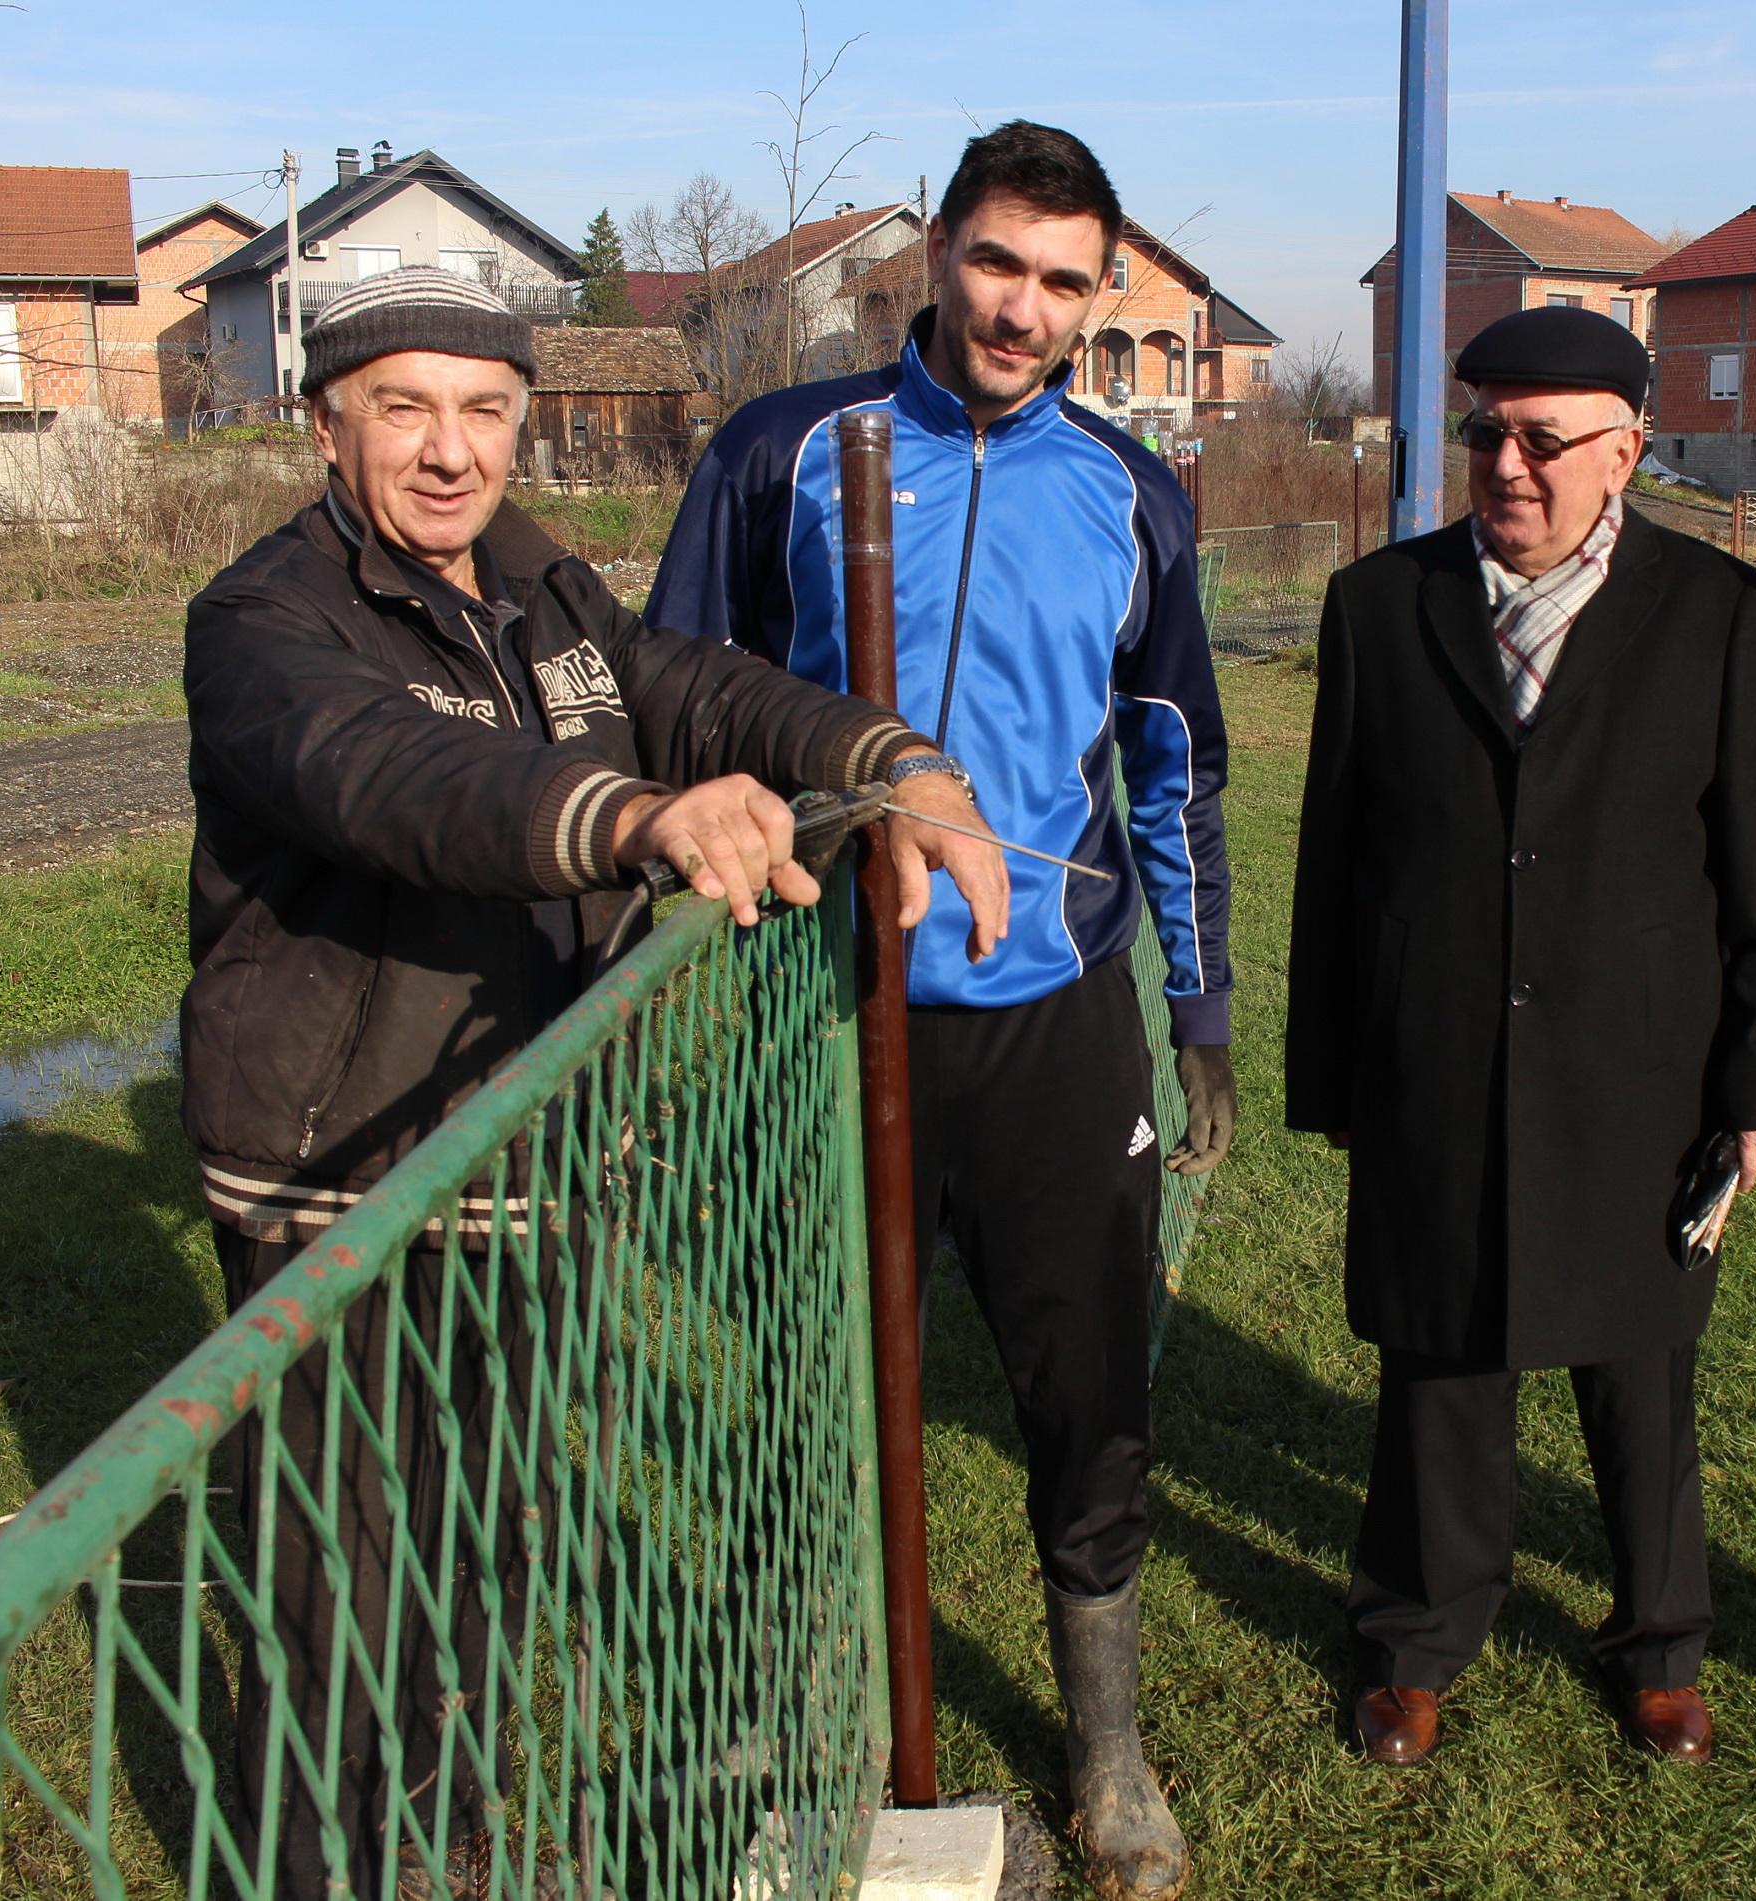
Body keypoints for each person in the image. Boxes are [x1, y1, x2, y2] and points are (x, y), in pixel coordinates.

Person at [181, 267, 1007, 1893]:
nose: (449, 450)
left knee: (485, 1536)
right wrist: (636, 819)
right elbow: (390, 778)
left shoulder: (540, 586)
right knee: (336, 1580)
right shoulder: (264, 620)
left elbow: (694, 688)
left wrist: (888, 758)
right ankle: (324, 1864)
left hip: (524, 1142)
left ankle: (443, 1820)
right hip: (342, 1173)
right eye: (402, 407)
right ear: (324, 422)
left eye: (485, 410)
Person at [645, 122, 1235, 1900]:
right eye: (996, 262)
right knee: (810, 1384)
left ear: (1095, 294)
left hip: (1052, 1015)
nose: (1022, 307)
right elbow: (679, 698)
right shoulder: (787, 454)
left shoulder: (1134, 492)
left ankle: (1106, 1743)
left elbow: (1171, 759)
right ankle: (784, 1713)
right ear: (937, 257)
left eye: (1063, 280)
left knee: (1085, 1382)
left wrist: (1197, 1005)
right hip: (822, 1010)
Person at [1283, 306, 1756, 1768]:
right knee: (1440, 1359)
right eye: (1485, 434)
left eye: (1544, 438)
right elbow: (1337, 854)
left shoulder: (1713, 612)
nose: (1507, 465)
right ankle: (1415, 1635)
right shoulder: (1381, 607)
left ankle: (1660, 1641)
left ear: (1627, 450)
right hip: (1436, 1057)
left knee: (1640, 1371)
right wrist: (1334, 1069)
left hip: (1637, 1073)